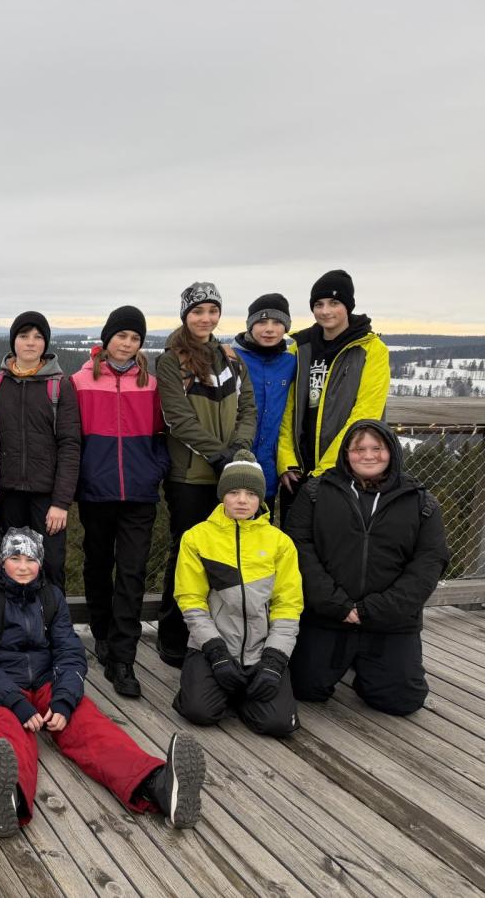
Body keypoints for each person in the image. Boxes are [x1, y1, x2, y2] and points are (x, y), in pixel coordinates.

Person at [0, 527, 206, 838]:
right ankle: (1, 798)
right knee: (5, 733)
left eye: (30, 560)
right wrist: (16, 702)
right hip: (2, 687)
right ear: (2, 561)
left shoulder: (51, 597)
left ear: (40, 563)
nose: (23, 567)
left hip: (48, 682)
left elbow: (70, 653)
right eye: (15, 558)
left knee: (90, 726)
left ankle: (158, 785)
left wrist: (64, 700)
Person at [286, 420, 448, 716]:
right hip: (329, 616)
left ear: (392, 451)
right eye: (359, 449)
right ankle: (344, 660)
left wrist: (373, 610)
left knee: (401, 700)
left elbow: (429, 562)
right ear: (346, 453)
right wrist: (336, 604)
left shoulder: (420, 501)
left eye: (377, 448)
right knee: (304, 687)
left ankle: (369, 668)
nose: (369, 455)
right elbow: (298, 549)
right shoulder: (316, 493)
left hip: (389, 622)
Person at [155, 283, 257, 668]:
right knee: (186, 555)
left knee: (225, 557)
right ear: (185, 315)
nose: (206, 318)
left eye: (212, 311)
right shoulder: (171, 361)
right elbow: (177, 418)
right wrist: (219, 455)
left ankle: (218, 636)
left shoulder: (231, 358)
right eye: (198, 311)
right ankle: (173, 638)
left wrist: (238, 450)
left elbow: (248, 408)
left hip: (228, 473)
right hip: (189, 475)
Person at [71, 306, 169, 699]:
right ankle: (102, 634)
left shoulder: (151, 384)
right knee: (97, 565)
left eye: (135, 338)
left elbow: (162, 434)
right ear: (107, 338)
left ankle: (123, 659)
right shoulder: (80, 381)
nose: (127, 344)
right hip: (96, 491)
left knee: (131, 573)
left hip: (139, 495)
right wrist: (82, 475)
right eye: (121, 336)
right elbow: (71, 438)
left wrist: (153, 470)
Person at [172, 451, 301, 737]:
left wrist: (274, 660)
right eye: (233, 492)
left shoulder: (280, 543)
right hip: (212, 648)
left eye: (251, 493)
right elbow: (190, 601)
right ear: (222, 496)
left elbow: (288, 605)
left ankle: (241, 692)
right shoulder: (196, 538)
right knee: (198, 711)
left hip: (261, 650)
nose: (242, 500)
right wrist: (216, 651)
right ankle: (215, 686)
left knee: (278, 724)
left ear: (260, 498)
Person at [277, 270, 389, 524]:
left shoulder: (371, 350)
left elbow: (365, 415)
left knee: (338, 542)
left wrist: (327, 470)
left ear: (348, 306)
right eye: (318, 304)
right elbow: (285, 408)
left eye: (334, 303)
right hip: (298, 473)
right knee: (294, 542)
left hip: (348, 472)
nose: (325, 311)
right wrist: (286, 461)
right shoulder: (300, 348)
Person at [0, 311, 80, 591]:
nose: (31, 342)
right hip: (7, 494)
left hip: (47, 496)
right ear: (13, 341)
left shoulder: (59, 385)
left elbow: (70, 445)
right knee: (6, 565)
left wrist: (61, 502)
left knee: (51, 566)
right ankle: (9, 619)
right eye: (24, 335)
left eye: (38, 337)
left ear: (45, 343)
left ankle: (52, 618)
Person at [232, 294, 297, 519]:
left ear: (286, 327)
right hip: (231, 462)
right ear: (250, 325)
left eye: (277, 322)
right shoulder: (232, 358)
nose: (269, 329)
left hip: (268, 470)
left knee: (261, 531)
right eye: (262, 322)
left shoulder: (291, 363)